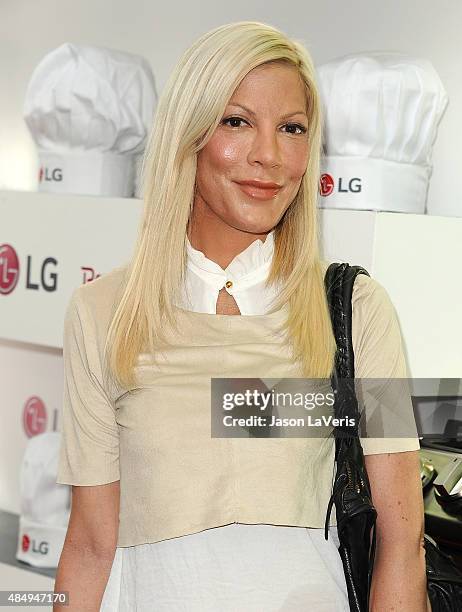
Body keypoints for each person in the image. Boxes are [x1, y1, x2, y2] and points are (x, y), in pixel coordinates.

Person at [53, 21, 429, 611]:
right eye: (236, 121)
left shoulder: (357, 313)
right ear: (190, 133)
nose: (268, 155)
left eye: (292, 128)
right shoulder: (104, 315)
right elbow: (90, 546)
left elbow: (403, 545)